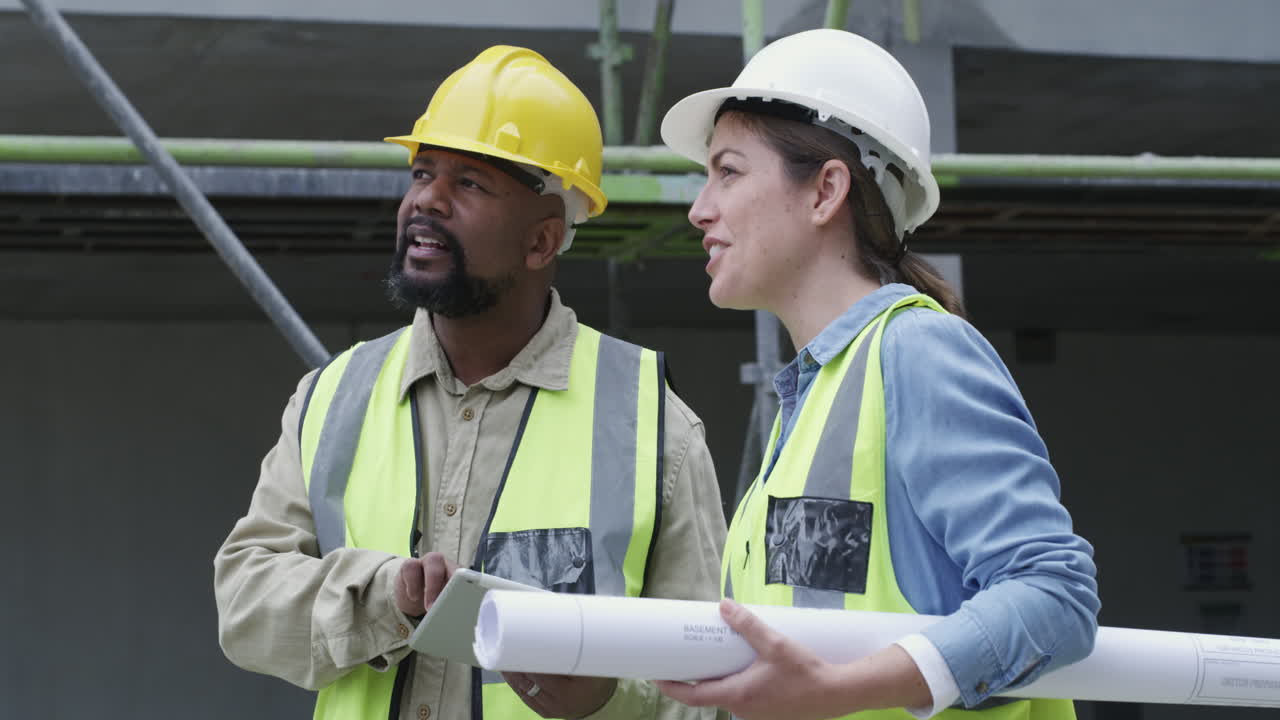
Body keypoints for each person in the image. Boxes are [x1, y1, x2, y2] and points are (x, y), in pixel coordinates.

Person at [214, 45, 726, 720]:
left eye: (470, 184)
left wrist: (606, 696)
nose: (426, 199)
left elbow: (714, 679)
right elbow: (245, 606)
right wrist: (383, 597)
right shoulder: (331, 398)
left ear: (542, 241)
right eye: (423, 172)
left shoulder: (654, 428)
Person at [654, 29, 1099, 720]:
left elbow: (1054, 596)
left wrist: (835, 695)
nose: (699, 208)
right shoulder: (814, 401)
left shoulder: (918, 351)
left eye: (729, 171)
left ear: (825, 190)